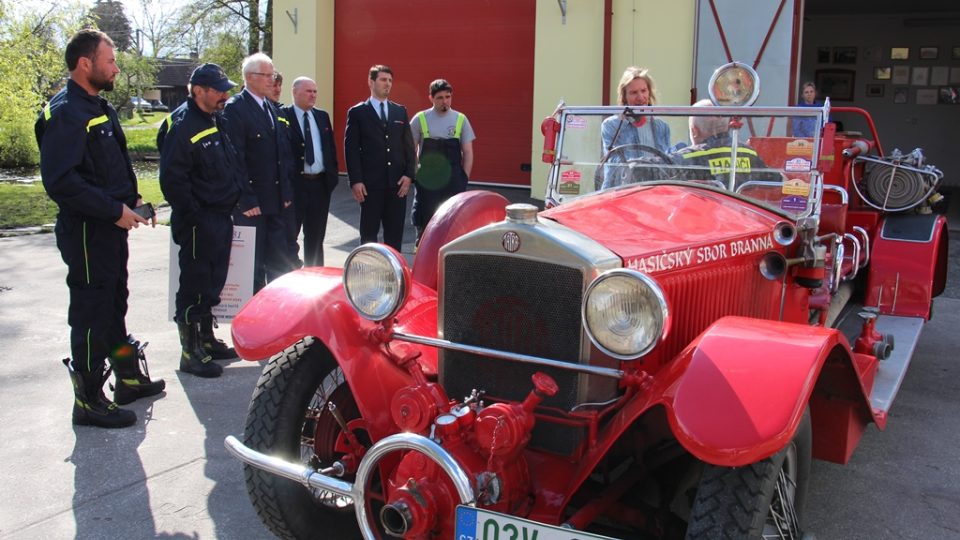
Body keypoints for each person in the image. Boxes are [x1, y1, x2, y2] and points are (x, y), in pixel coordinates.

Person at [34, 29, 165, 428]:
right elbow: (61, 181)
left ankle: (126, 378)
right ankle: (89, 399)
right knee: (91, 312)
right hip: (88, 232)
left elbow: (107, 168)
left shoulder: (97, 107)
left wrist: (134, 202)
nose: (116, 67)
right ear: (85, 64)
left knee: (113, 305)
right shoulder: (65, 112)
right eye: (110, 61)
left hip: (110, 227)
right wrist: (112, 210)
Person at [159, 64, 244, 378]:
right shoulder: (182, 125)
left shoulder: (213, 118)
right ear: (198, 91)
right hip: (199, 220)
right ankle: (190, 351)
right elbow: (173, 179)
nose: (225, 95)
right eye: (219, 90)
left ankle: (207, 341)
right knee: (195, 286)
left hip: (220, 216)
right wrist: (194, 215)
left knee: (212, 283)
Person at [222, 53, 295, 293]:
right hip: (253, 205)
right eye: (267, 75)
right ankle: (254, 323)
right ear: (250, 77)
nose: (272, 81)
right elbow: (235, 159)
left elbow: (281, 156)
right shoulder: (236, 109)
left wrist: (285, 194)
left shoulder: (270, 108)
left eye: (272, 75)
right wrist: (246, 199)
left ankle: (275, 318)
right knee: (253, 269)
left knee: (278, 264)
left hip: (275, 202)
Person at [344, 64, 416, 252]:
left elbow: (409, 146)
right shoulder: (358, 112)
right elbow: (351, 149)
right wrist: (356, 181)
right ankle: (367, 274)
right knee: (369, 235)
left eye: (390, 80)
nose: (388, 84)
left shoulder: (399, 111)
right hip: (370, 186)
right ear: (371, 82)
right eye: (383, 80)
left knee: (394, 235)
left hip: (397, 186)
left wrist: (409, 176)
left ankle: (394, 275)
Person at [409, 79, 475, 243]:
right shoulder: (420, 119)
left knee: (453, 221)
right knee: (426, 220)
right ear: (430, 98)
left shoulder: (460, 119)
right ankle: (423, 251)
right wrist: (417, 174)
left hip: (453, 181)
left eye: (448, 96)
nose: (445, 101)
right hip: (428, 182)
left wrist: (463, 178)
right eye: (440, 97)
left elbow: (467, 152)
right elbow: (410, 150)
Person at [282, 77, 339, 266]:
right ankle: (289, 278)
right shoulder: (283, 116)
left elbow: (329, 147)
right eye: (308, 91)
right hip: (295, 186)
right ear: (295, 92)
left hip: (319, 185)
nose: (313, 95)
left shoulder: (322, 116)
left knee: (316, 237)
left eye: (315, 91)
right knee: (289, 236)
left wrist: (331, 179)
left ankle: (316, 276)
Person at [671, 99, 778, 186]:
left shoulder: (689, 158)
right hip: (742, 210)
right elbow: (780, 180)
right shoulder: (750, 153)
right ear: (728, 126)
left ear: (694, 131)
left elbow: (659, 170)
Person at [601, 67, 671, 157]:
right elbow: (612, 164)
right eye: (634, 92)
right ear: (624, 96)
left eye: (643, 91)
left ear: (649, 92)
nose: (641, 97)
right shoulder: (611, 126)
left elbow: (667, 163)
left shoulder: (662, 127)